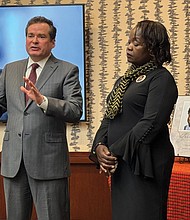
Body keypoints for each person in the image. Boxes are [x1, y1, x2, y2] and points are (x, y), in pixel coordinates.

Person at [89, 20, 178, 220]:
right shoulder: (124, 80)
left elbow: (151, 123)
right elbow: (109, 116)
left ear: (153, 48)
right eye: (129, 41)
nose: (129, 47)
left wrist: (114, 151)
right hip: (122, 162)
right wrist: (99, 146)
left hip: (146, 163)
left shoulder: (161, 79)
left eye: (136, 43)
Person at [0, 16, 83, 220]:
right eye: (30, 36)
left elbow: (75, 110)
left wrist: (43, 101)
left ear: (53, 42)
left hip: (49, 163)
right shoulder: (10, 69)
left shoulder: (67, 70)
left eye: (41, 36)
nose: (34, 40)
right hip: (14, 163)